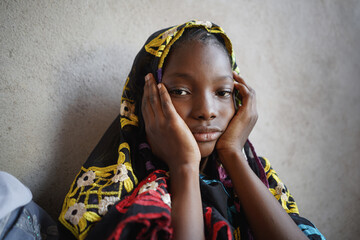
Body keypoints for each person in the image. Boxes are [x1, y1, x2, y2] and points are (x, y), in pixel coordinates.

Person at [58, 20, 325, 240]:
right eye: (180, 91)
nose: (206, 110)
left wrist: (232, 153)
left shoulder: (257, 175)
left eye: (223, 92)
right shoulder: (115, 188)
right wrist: (184, 164)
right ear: (145, 101)